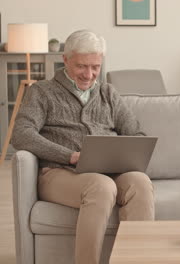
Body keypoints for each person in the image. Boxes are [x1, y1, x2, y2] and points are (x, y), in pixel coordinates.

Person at [11, 30, 154, 264]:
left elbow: (136, 134)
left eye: (95, 67)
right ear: (65, 60)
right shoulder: (42, 92)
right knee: (101, 186)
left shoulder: (108, 93)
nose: (89, 74)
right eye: (81, 66)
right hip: (59, 173)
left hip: (108, 169)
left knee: (140, 183)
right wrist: (69, 156)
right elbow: (21, 134)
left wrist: (121, 154)